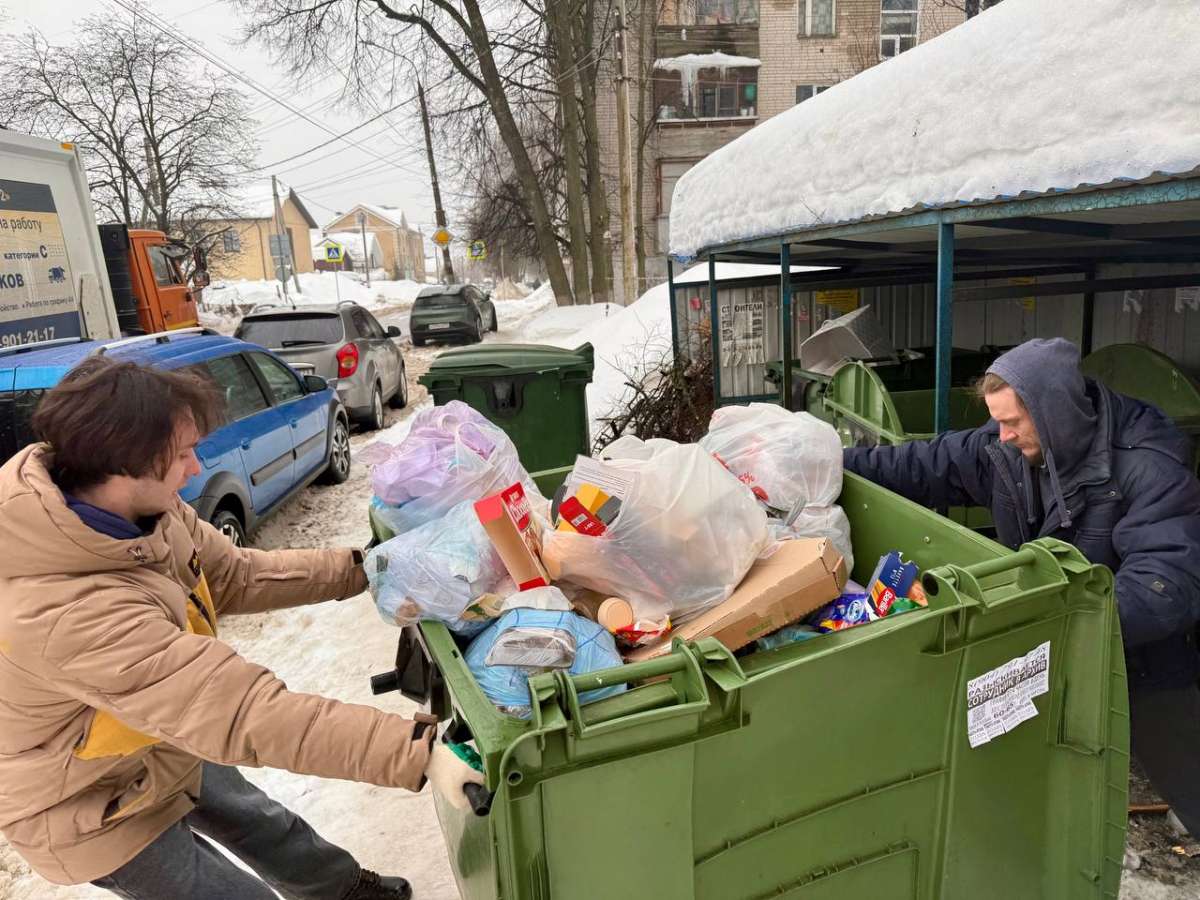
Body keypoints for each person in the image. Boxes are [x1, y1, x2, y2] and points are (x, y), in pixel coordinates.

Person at [0, 357, 483, 900]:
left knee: (263, 823)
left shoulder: (147, 515)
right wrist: (418, 752)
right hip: (89, 803)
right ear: (123, 464)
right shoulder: (63, 608)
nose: (195, 466)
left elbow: (235, 575)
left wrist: (365, 570)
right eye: (181, 454)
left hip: (154, 734)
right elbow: (241, 710)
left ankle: (342, 892)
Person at [844, 338, 1200, 836]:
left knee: (1186, 775)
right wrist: (828, 463)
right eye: (997, 421)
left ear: (1056, 414)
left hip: (1141, 664)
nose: (1003, 435)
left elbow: (1166, 587)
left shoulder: (1148, 466)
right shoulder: (1008, 449)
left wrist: (1050, 616)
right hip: (1054, 648)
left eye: (1012, 422)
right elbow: (925, 463)